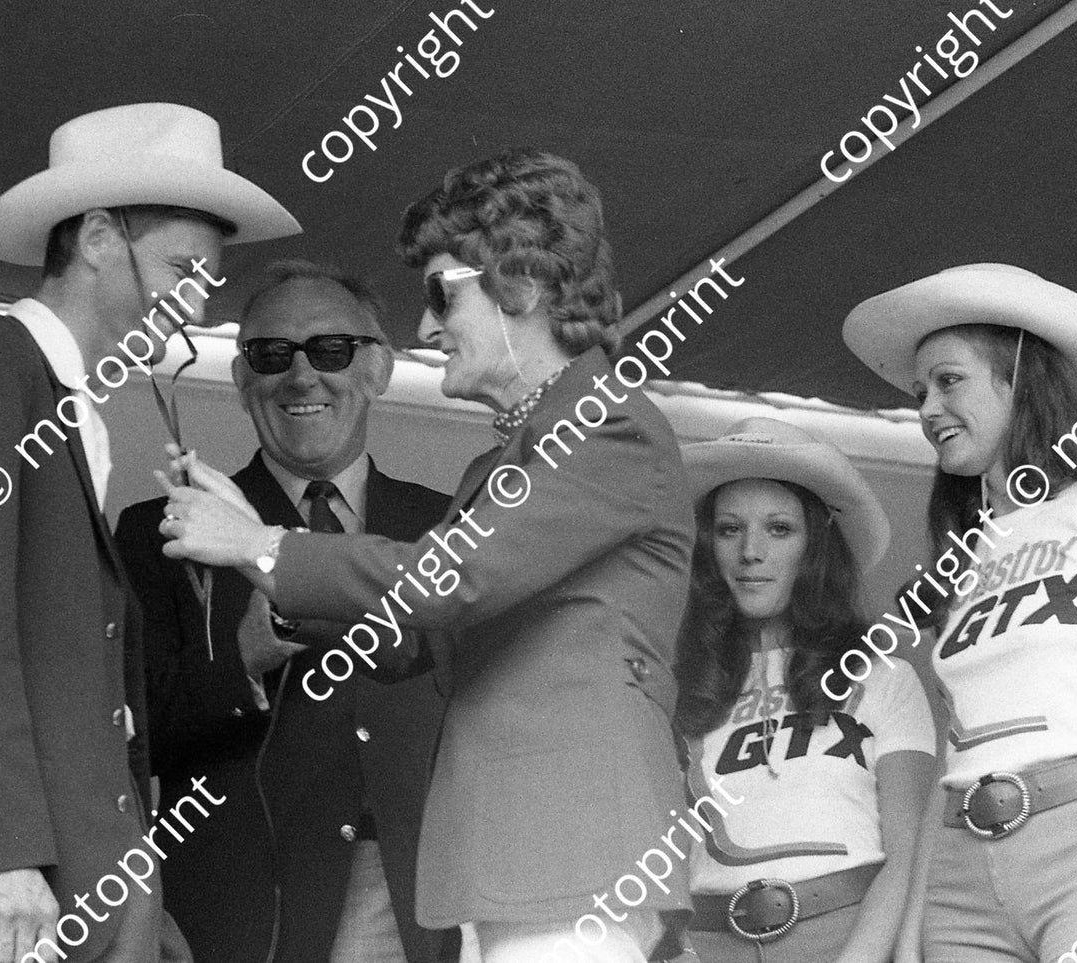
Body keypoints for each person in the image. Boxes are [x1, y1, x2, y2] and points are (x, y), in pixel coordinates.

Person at [153, 149, 697, 963]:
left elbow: (450, 582)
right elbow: (417, 641)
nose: (428, 329)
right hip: (517, 860)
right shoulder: (512, 457)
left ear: (523, 284)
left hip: (571, 848)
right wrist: (255, 553)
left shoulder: (603, 421)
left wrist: (264, 543)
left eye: (444, 295)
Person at [0, 102, 298, 963]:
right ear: (98, 237)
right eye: (182, 269)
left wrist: (130, 889)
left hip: (71, 899)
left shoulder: (72, 404)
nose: (194, 303)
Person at [843, 263, 1077, 963]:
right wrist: (914, 931)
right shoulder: (959, 559)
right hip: (956, 864)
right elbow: (958, 751)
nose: (925, 408)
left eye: (949, 381)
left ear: (1020, 377)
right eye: (919, 391)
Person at [113, 258, 456, 963]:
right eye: (271, 354)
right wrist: (241, 662)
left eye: (330, 350)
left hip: (415, 896)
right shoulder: (167, 527)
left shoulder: (444, 525)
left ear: (381, 369)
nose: (302, 376)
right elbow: (128, 734)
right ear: (242, 381)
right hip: (241, 907)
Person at [674, 417, 935, 962]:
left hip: (845, 935)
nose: (750, 551)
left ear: (815, 547)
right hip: (708, 944)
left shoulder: (881, 675)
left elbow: (911, 853)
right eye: (728, 529)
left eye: (778, 529)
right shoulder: (678, 688)